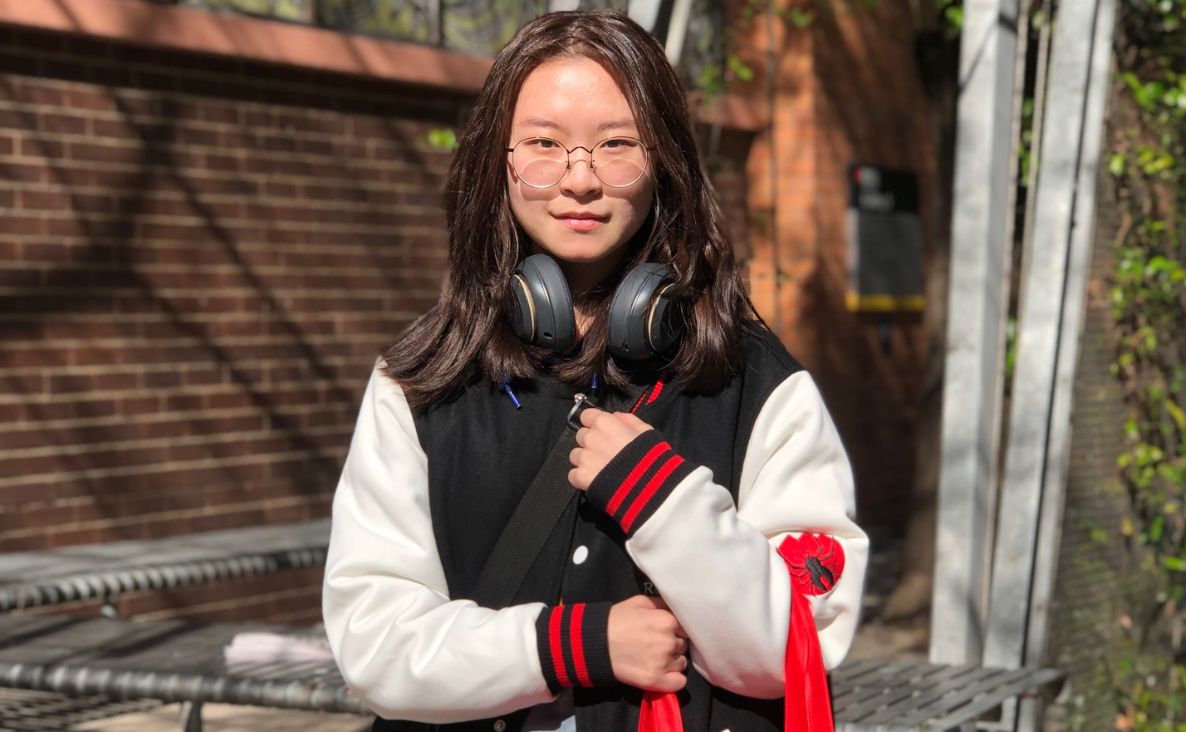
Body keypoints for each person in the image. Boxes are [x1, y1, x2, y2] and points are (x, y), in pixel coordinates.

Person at [322, 10, 867, 732]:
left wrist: (666, 504)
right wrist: (571, 645)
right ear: (500, 162)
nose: (579, 180)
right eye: (544, 144)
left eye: (616, 145)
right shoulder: (420, 379)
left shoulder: (759, 384)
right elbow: (375, 643)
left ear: (665, 162)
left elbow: (794, 646)